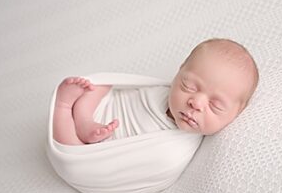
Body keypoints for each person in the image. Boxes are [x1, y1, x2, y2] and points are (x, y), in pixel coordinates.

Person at [53, 38, 258, 144]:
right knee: (103, 84)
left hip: (101, 151)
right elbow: (126, 93)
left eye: (215, 105)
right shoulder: (159, 91)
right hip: (101, 110)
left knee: (69, 146)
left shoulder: (175, 148)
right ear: (178, 73)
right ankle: (83, 119)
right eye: (188, 86)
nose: (195, 103)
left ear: (236, 114)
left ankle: (63, 108)